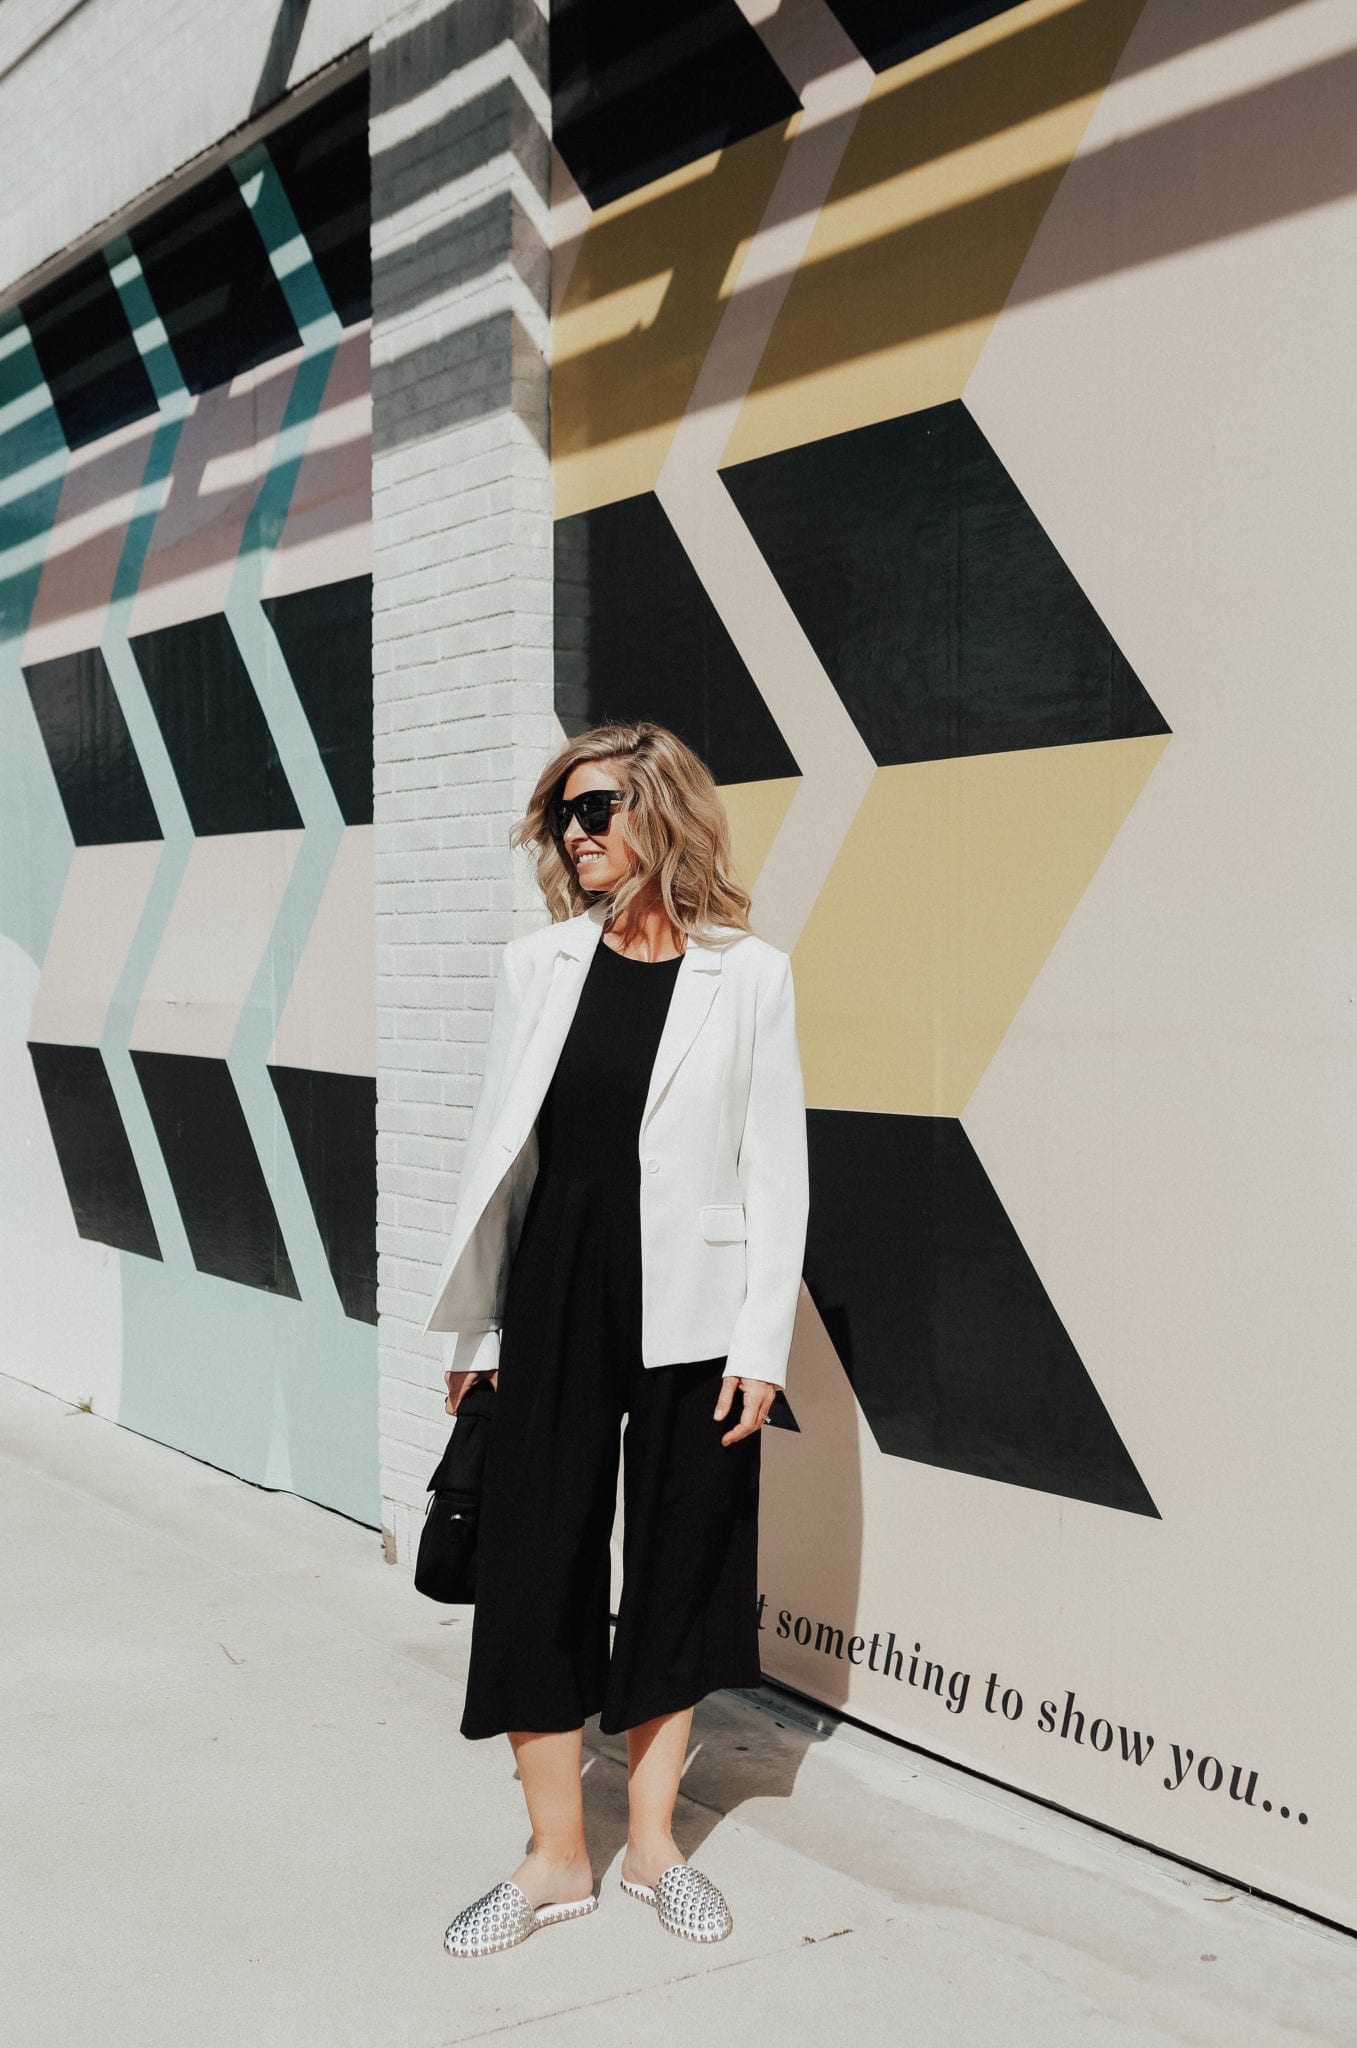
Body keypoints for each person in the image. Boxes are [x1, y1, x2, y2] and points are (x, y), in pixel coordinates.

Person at [424, 720, 809, 1957]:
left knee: (677, 1561)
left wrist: (761, 1342)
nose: (574, 834)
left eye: (594, 809)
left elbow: (776, 1168)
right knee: (533, 1558)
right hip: (555, 1282)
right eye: (562, 816)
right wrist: (479, 1323)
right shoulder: (536, 964)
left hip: (697, 1300)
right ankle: (554, 1857)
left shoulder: (749, 974)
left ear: (661, 813)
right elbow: (503, 1152)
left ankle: (652, 1844)